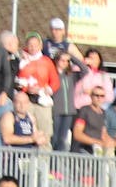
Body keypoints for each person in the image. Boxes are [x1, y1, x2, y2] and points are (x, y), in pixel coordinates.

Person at [66, 49, 107, 154]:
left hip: (94, 110)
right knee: (77, 137)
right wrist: (85, 65)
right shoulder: (79, 70)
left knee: (92, 136)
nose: (92, 60)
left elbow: (109, 94)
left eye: (95, 58)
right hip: (79, 108)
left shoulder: (103, 76)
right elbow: (78, 88)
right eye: (90, 57)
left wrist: (95, 94)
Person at [43, 19, 77, 150]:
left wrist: (70, 56)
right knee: (54, 136)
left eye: (58, 29)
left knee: (62, 138)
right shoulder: (46, 44)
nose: (55, 32)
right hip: (55, 105)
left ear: (63, 31)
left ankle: (58, 166)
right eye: (53, 29)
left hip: (68, 109)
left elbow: (83, 66)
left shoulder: (67, 46)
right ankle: (50, 164)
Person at [17, 36, 58, 144]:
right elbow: (18, 80)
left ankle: (43, 160)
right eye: (30, 45)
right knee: (26, 131)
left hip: (43, 102)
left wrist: (45, 89)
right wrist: (27, 88)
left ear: (40, 46)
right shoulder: (22, 61)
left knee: (45, 134)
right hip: (26, 101)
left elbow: (55, 82)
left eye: (35, 45)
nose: (33, 48)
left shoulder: (47, 61)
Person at [70, 84, 112, 157]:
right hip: (82, 150)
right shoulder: (84, 110)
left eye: (102, 96)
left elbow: (104, 133)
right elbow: (77, 134)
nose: (99, 98)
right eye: (96, 95)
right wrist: (96, 142)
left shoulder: (104, 113)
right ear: (91, 96)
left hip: (97, 151)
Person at [0, 85, 37, 149]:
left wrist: (40, 139)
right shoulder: (8, 117)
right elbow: (7, 139)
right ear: (14, 103)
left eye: (24, 102)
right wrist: (31, 139)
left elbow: (35, 136)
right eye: (19, 102)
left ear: (28, 104)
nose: (22, 105)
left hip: (29, 156)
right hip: (13, 156)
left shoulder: (31, 118)